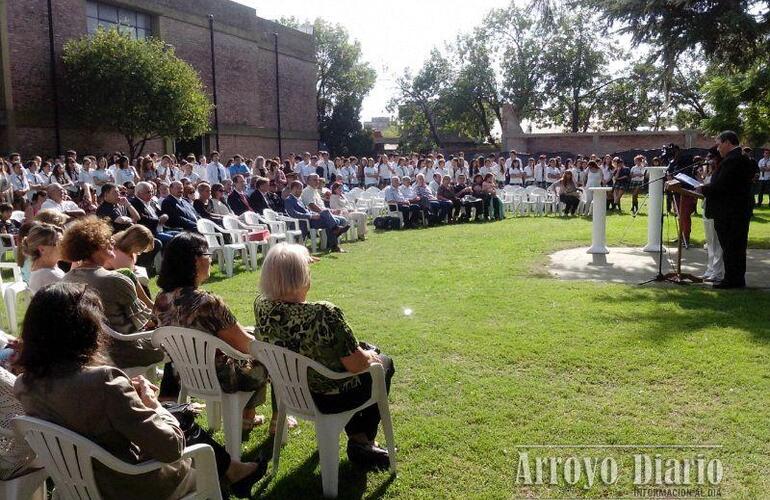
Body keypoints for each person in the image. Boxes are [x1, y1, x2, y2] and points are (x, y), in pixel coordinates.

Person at [14, 283, 268, 499]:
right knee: (184, 430)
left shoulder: (25, 385)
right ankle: (232, 473)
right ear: (86, 329)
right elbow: (170, 448)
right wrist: (151, 402)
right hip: (133, 485)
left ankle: (234, 470)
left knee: (179, 414)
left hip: (75, 484)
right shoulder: (103, 381)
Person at [253, 243, 395, 469]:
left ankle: (360, 441)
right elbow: (357, 364)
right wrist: (369, 354)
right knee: (384, 363)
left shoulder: (261, 306)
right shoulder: (323, 313)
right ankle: (361, 440)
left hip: (291, 392)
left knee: (367, 356)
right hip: (326, 397)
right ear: (302, 276)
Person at [154, 232, 272, 433]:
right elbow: (245, 344)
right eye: (207, 254)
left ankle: (246, 416)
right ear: (196, 260)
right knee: (264, 356)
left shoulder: (162, 299)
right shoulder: (207, 302)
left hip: (185, 375)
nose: (211, 259)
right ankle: (249, 417)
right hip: (220, 378)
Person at [61, 217, 164, 368]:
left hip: (91, 352)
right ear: (93, 247)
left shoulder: (66, 279)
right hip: (124, 351)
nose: (113, 242)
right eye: (106, 240)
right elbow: (144, 321)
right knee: (178, 341)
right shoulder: (116, 280)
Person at [698, 131, 758, 289]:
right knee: (733, 247)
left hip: (731, 211)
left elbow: (722, 185)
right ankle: (734, 278)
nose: (717, 148)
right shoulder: (735, 158)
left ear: (727, 142)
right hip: (734, 210)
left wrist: (702, 189)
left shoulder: (734, 160)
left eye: (719, 144)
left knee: (732, 247)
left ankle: (732, 280)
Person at [284, 180, 349, 252]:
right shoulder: (289, 200)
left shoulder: (299, 199)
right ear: (294, 188)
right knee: (327, 214)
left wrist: (314, 214)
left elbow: (307, 211)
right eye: (300, 189)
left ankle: (334, 244)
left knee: (331, 220)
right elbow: (293, 214)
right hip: (304, 222)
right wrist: (311, 216)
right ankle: (336, 231)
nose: (301, 191)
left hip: (311, 220)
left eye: (302, 189)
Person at [23, 222, 64, 294]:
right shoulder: (48, 276)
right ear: (42, 249)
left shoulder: (46, 270)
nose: (65, 246)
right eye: (60, 243)